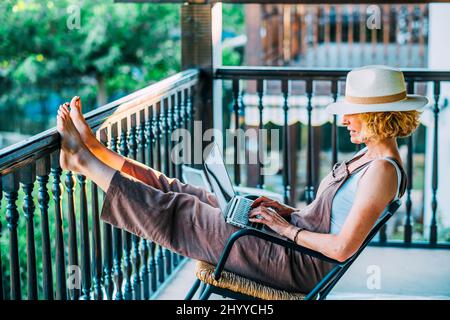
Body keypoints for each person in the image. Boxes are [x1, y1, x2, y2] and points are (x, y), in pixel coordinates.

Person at [55, 65, 427, 293]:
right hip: (292, 243)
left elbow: (342, 248)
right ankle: (96, 152)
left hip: (298, 264)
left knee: (183, 208)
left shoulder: (381, 171)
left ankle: (84, 162)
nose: (344, 120)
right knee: (185, 190)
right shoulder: (371, 157)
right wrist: (283, 211)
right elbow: (329, 218)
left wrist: (284, 229)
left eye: (353, 114)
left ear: (378, 116)